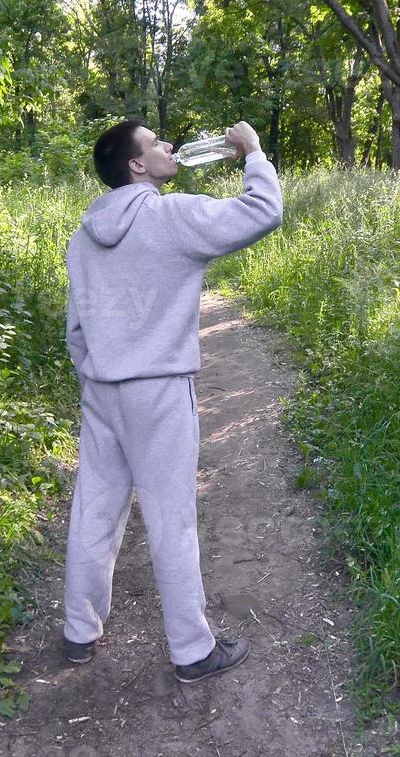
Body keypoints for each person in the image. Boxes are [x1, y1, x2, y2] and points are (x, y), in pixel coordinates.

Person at [61, 119, 283, 682]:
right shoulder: (172, 214)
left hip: (102, 388)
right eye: (156, 142)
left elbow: (77, 328)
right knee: (171, 517)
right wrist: (253, 152)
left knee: (95, 509)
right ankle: (191, 651)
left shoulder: (83, 234)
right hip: (157, 389)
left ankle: (78, 633)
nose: (168, 147)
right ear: (137, 165)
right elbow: (262, 212)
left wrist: (95, 373)